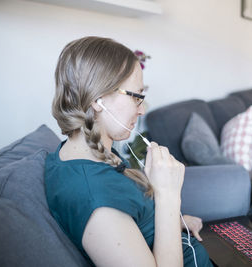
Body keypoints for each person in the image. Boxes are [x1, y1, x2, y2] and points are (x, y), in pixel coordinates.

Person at [44, 36, 213, 267]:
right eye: (137, 97)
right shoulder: (94, 197)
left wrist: (173, 223)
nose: (142, 109)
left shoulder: (92, 154)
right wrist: (169, 197)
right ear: (98, 99)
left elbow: (133, 225)